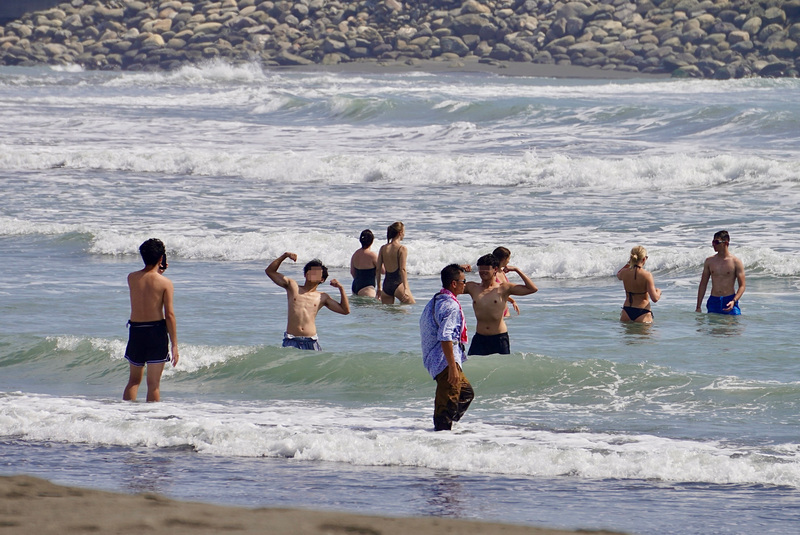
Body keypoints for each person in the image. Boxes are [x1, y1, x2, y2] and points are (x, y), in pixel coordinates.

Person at [123, 238, 179, 402]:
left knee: (133, 381)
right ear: (161, 259)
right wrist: (174, 343)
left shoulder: (131, 277)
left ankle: (125, 415)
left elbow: (146, 282)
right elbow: (169, 315)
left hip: (136, 331)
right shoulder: (165, 283)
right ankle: (152, 421)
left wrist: (157, 271)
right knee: (153, 384)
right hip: (156, 332)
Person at [420, 264, 473, 431]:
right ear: (454, 283)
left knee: (465, 393)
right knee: (447, 405)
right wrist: (452, 367)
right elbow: (445, 336)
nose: (466, 284)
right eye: (463, 281)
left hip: (439, 357)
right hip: (443, 359)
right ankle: (441, 436)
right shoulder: (451, 306)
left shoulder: (438, 298)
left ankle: (447, 430)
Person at [266, 252, 350, 350]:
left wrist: (341, 288)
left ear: (322, 279)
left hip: (311, 341)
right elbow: (270, 271)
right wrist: (285, 256)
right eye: (310, 271)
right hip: (291, 339)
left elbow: (345, 311)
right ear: (306, 274)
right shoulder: (293, 287)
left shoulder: (322, 297)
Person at [464, 253, 538, 355]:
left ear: (495, 269)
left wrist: (517, 270)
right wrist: (459, 268)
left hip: (499, 337)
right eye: (481, 269)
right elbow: (450, 287)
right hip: (480, 337)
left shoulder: (503, 288)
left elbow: (532, 289)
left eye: (486, 269)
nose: (483, 272)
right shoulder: (472, 287)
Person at [696, 230, 746, 315]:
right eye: (713, 242)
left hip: (730, 300)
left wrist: (734, 300)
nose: (713, 245)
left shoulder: (735, 262)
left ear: (725, 243)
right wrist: (698, 306)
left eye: (716, 242)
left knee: (732, 327)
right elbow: (703, 284)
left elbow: (742, 286)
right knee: (714, 327)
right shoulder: (709, 261)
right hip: (713, 300)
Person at [617, 245, 661, 323]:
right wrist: (658, 291)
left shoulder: (624, 273)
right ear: (644, 259)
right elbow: (655, 298)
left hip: (626, 311)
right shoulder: (647, 275)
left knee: (628, 335)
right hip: (642, 312)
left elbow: (618, 274)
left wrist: (629, 263)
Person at [376, 221, 415, 304]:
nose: (404, 234)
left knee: (389, 315)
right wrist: (406, 288)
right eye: (404, 232)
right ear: (400, 233)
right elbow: (402, 270)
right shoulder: (401, 249)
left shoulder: (383, 248)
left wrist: (379, 288)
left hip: (386, 286)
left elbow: (378, 269)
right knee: (411, 306)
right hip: (398, 284)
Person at [350, 229, 380, 297]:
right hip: (367, 287)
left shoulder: (355, 254)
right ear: (372, 241)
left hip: (355, 285)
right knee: (372, 306)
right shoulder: (372, 255)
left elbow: (352, 272)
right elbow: (383, 271)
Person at [492, 247, 519, 316]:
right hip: (496, 309)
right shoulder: (493, 274)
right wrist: (512, 300)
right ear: (504, 259)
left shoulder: (502, 272)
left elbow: (503, 293)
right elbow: (495, 293)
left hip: (505, 308)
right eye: (508, 259)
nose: (509, 261)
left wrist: (512, 301)